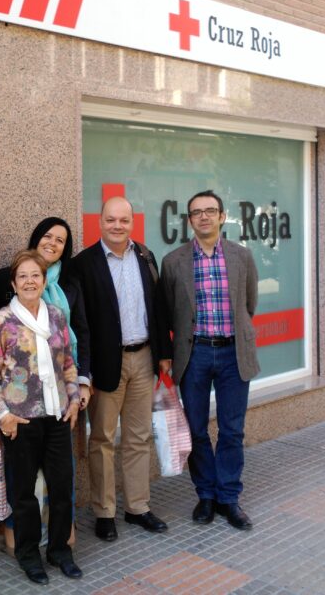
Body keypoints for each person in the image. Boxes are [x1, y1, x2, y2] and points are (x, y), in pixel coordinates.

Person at [71, 196, 171, 542]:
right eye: (111, 220)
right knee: (101, 440)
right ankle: (104, 512)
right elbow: (79, 322)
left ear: (132, 222)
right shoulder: (83, 264)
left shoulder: (145, 256)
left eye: (124, 220)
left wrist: (163, 353)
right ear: (100, 221)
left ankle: (138, 507)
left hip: (143, 357)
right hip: (105, 365)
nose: (118, 226)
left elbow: (158, 308)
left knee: (139, 437)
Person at [160, 190, 259, 531]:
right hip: (195, 353)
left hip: (234, 353)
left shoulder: (241, 256)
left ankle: (228, 498)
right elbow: (168, 313)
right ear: (189, 220)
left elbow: (249, 304)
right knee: (197, 429)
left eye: (210, 211)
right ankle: (205, 495)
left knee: (232, 430)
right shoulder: (173, 261)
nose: (203, 217)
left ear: (221, 216)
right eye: (196, 212)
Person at [0, 250, 82, 584]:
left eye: (35, 275)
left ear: (44, 280)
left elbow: (68, 363)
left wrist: (73, 402)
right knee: (24, 493)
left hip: (57, 417)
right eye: (22, 276)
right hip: (21, 421)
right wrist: (4, 416)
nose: (29, 281)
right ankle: (29, 555)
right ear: (13, 283)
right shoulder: (0, 322)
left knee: (61, 488)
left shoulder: (56, 316)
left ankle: (59, 551)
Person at [0, 217, 92, 551]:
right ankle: (24, 542)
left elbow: (74, 347)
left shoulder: (68, 288)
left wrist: (78, 389)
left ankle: (61, 542)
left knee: (62, 477)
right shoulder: (3, 297)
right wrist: (1, 410)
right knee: (23, 481)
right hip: (21, 406)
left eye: (61, 240)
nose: (53, 243)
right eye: (47, 236)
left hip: (60, 400)